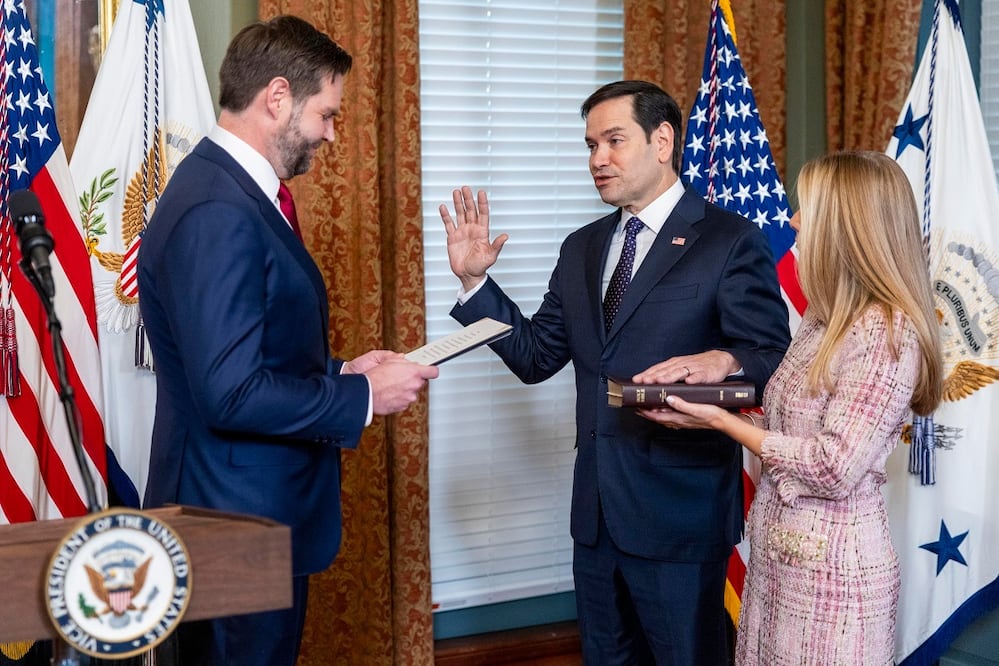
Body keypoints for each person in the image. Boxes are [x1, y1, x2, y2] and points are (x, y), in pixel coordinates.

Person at [439, 80, 791, 664]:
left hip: (681, 517)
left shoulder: (729, 240)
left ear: (662, 141)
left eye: (613, 141)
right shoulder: (581, 247)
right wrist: (476, 284)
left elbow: (773, 359)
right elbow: (536, 357)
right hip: (596, 520)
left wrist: (725, 361)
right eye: (590, 145)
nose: (597, 159)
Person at [138, 15, 438, 666]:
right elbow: (229, 392)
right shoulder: (218, 208)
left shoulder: (228, 189)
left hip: (241, 518)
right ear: (278, 97)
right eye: (326, 114)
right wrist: (361, 396)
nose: (331, 133)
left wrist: (340, 370)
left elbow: (247, 350)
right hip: (231, 526)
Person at [638, 151, 943, 665]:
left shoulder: (886, 331)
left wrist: (723, 422)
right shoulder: (824, 319)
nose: (794, 221)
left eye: (808, 208)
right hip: (778, 564)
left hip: (835, 580)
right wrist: (704, 408)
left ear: (849, 226)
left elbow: (833, 465)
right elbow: (790, 422)